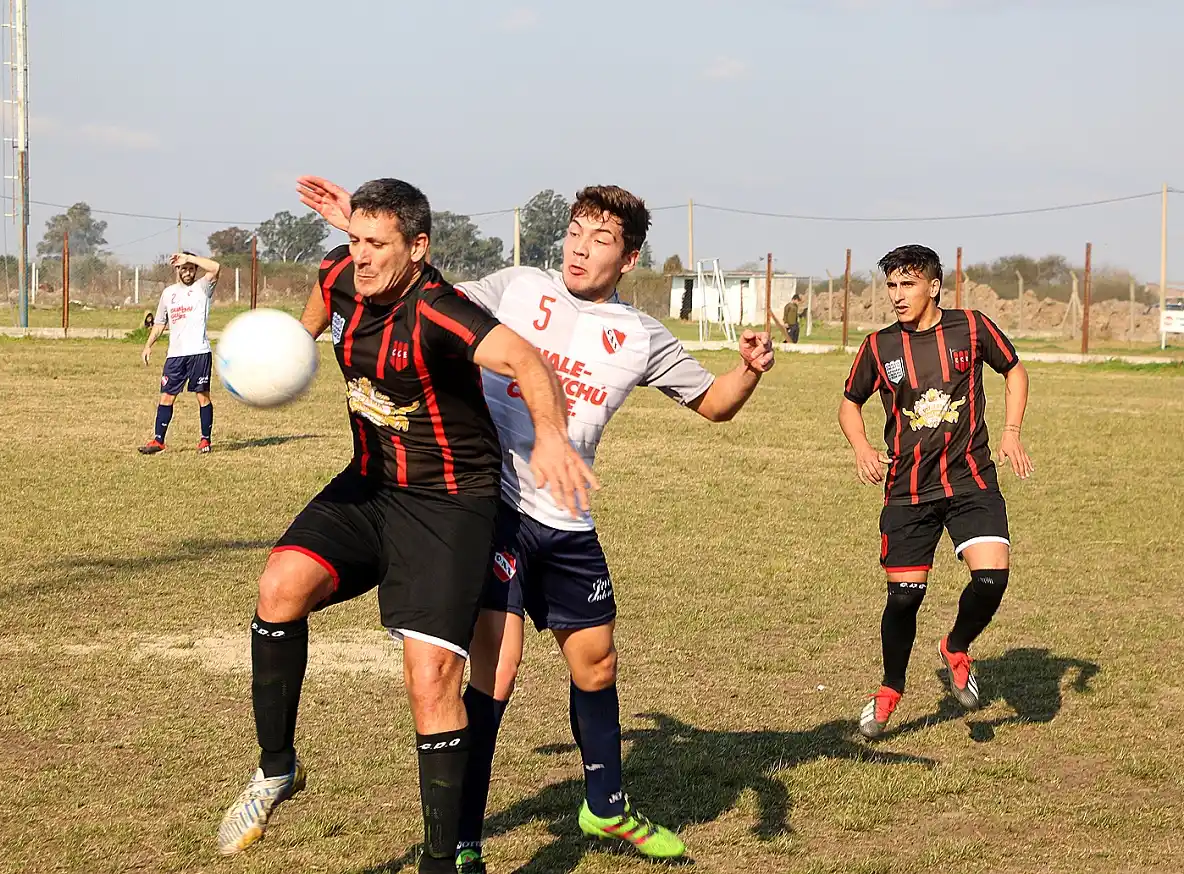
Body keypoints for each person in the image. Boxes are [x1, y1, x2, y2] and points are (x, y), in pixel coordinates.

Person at [298, 177, 775, 872]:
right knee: (496, 671)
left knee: (597, 660)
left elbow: (714, 404)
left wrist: (749, 371)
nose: (581, 248)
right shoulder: (517, 288)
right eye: (577, 232)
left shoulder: (640, 337)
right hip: (490, 505)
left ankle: (605, 807)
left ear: (630, 259)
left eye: (601, 239)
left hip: (568, 521)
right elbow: (433, 295)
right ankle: (461, 839)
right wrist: (369, 236)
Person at [216, 178, 597, 874]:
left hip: (448, 505)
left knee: (430, 683)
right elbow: (300, 337)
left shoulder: (438, 311)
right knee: (279, 588)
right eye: (355, 240)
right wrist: (272, 358)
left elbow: (525, 359)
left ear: (418, 249)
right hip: (370, 483)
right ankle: (277, 769)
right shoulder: (337, 273)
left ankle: (437, 860)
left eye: (377, 244)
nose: (359, 257)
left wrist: (549, 436)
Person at [838, 244, 1033, 739]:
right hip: (907, 490)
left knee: (991, 579)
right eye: (891, 286)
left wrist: (1011, 431)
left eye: (907, 284)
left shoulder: (971, 327)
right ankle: (889, 690)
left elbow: (1014, 370)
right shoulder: (879, 346)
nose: (897, 296)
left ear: (933, 286)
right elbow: (849, 403)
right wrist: (861, 446)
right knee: (904, 598)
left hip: (972, 480)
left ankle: (956, 646)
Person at [139, 251, 222, 454]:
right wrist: (148, 345)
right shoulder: (168, 293)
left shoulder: (203, 287)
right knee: (166, 397)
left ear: (195, 270)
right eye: (184, 269)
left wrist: (190, 258)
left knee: (202, 396)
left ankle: (205, 440)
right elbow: (159, 323)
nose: (187, 272)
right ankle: (158, 441)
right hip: (175, 356)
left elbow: (216, 267)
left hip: (199, 353)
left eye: (191, 269)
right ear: (177, 270)